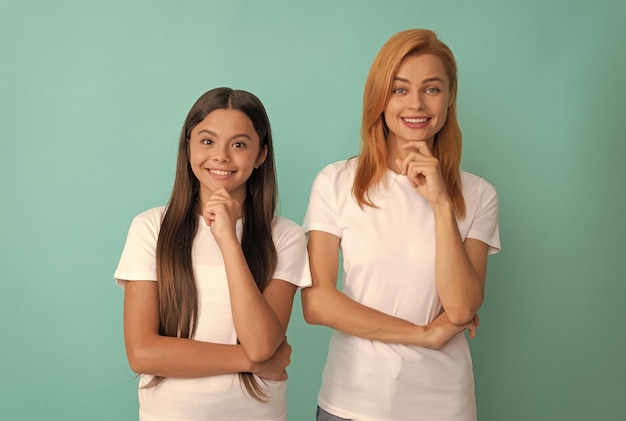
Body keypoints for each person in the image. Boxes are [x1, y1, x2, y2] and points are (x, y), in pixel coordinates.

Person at [301, 29, 501, 421]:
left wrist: (442, 204)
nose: (416, 104)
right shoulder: (337, 182)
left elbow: (461, 307)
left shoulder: (479, 195)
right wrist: (423, 334)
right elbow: (318, 302)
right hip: (351, 402)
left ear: (449, 97)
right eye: (399, 90)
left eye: (431, 89)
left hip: (443, 405)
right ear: (380, 97)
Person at [114, 87, 311, 421]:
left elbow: (262, 343)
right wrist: (249, 361)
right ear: (188, 146)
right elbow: (143, 353)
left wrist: (228, 240)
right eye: (207, 141)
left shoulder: (286, 236)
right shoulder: (150, 228)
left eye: (238, 144)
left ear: (261, 155)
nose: (221, 156)